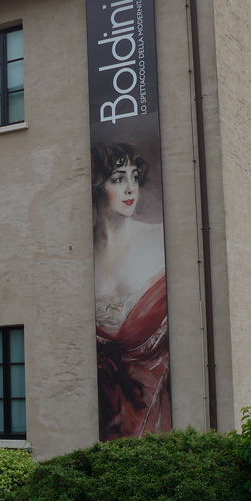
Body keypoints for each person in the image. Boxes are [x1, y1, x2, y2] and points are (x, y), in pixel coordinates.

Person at [91, 142, 171, 439]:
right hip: (107, 416)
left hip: (158, 415)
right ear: (97, 185)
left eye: (134, 177)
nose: (130, 189)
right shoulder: (82, 255)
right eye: (118, 179)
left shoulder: (159, 239)